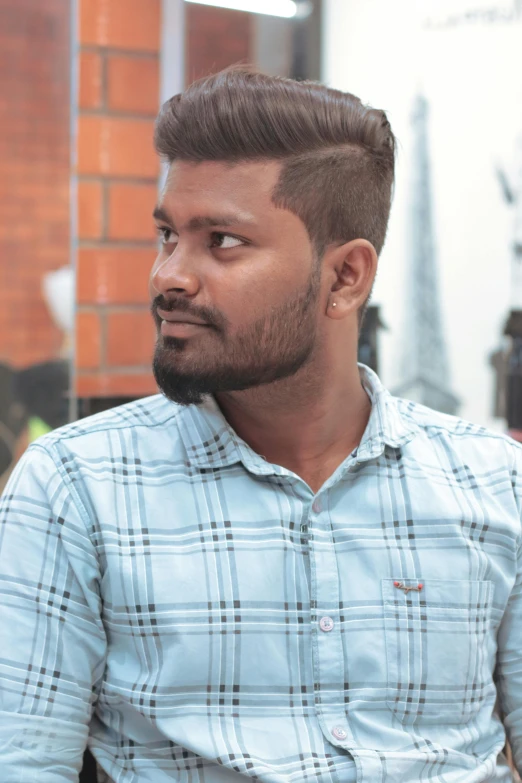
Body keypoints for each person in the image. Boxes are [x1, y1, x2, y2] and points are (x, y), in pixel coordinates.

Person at [0, 67, 521, 783]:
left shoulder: (497, 484)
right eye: (167, 235)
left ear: (345, 278)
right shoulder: (76, 490)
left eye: (221, 241)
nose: (169, 276)